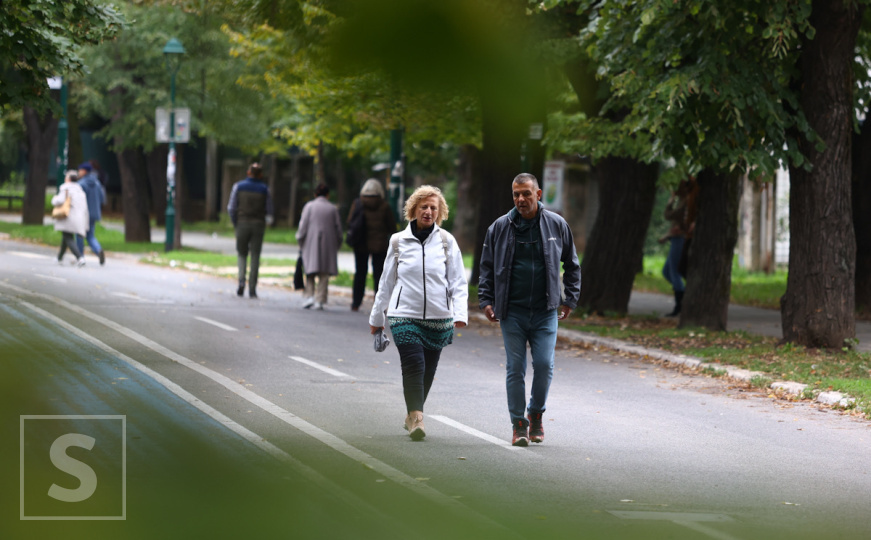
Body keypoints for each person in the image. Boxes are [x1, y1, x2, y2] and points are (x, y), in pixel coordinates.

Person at [478, 173, 581, 447]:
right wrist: (486, 300)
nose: (520, 199)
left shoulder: (556, 225)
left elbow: (572, 264)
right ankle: (518, 424)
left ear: (538, 194)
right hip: (512, 311)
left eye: (526, 193)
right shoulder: (499, 227)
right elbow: (486, 267)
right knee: (515, 368)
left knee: (545, 365)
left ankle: (535, 414)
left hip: (545, 311)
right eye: (516, 194)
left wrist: (570, 299)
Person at [369, 185, 468, 441]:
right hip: (404, 314)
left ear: (440, 212)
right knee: (414, 363)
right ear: (414, 209)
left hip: (438, 317)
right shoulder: (398, 241)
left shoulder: (447, 241)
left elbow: (457, 280)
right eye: (424, 206)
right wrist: (377, 318)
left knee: (428, 371)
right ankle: (417, 418)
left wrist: (460, 313)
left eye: (433, 207)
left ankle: (412, 414)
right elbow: (386, 282)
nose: (428, 211)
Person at [346, 178, 396, 312]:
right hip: (379, 246)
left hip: (360, 244)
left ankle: (356, 303)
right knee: (379, 276)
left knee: (360, 273)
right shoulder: (384, 206)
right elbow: (392, 227)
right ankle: (379, 304)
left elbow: (350, 221)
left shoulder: (358, 203)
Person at [227, 162, 274, 299]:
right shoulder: (265, 189)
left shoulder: (238, 186)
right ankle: (252, 289)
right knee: (255, 256)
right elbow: (269, 211)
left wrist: (236, 222)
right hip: (258, 225)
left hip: (242, 223)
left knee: (242, 254)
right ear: (260, 174)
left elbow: (231, 208)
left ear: (248, 173)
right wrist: (266, 223)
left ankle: (241, 280)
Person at [296, 183, 342, 310]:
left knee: (310, 270)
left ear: (315, 194)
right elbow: (338, 229)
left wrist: (300, 240)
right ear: (328, 195)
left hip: (310, 242)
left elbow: (302, 226)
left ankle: (309, 295)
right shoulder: (332, 209)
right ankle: (320, 299)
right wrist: (337, 243)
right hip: (328, 243)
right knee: (324, 273)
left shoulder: (309, 206)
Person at [658, 180, 690, 317]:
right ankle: (682, 293)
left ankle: (680, 303)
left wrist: (671, 200)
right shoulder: (682, 200)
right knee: (666, 271)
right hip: (676, 238)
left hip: (680, 239)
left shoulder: (686, 202)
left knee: (674, 271)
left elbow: (669, 215)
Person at [52, 170, 89, 267]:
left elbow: (59, 201)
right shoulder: (80, 190)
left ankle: (79, 258)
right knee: (66, 236)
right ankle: (59, 258)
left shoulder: (66, 188)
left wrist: (54, 199)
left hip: (68, 217)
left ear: (68, 179)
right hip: (79, 218)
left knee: (68, 237)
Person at [75, 161, 106, 265]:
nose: (78, 172)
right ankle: (98, 250)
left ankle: (80, 256)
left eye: (80, 170)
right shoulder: (97, 183)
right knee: (90, 236)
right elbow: (102, 199)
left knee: (80, 234)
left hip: (83, 214)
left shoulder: (81, 184)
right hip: (94, 213)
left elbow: (77, 200)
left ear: (84, 171)